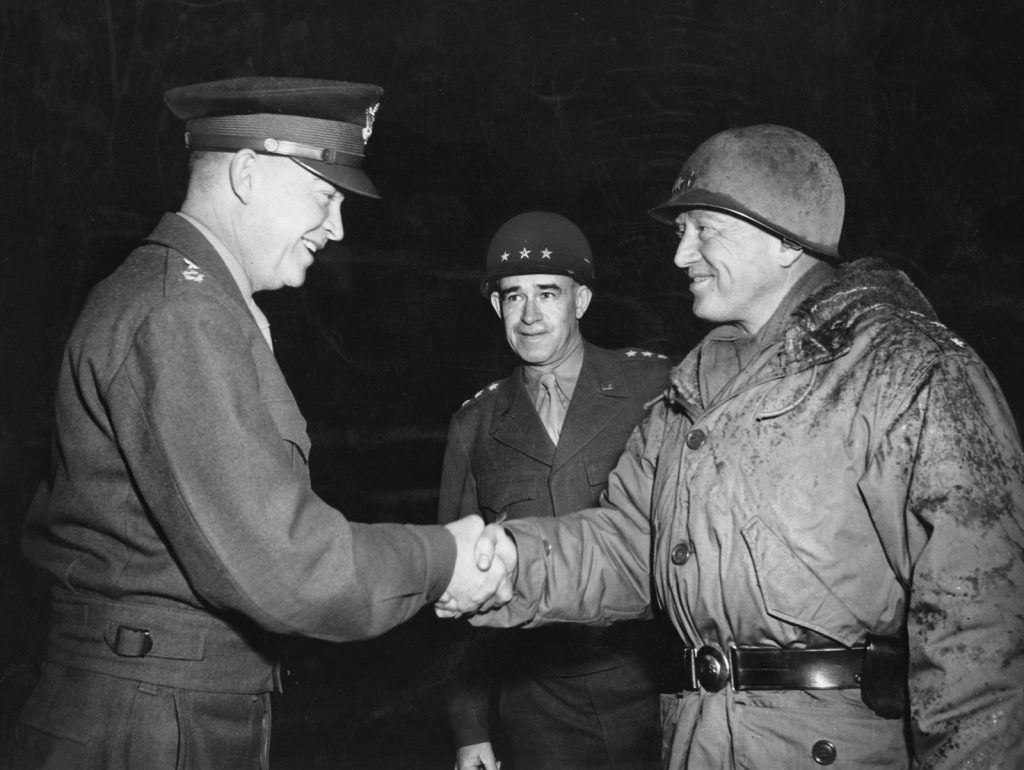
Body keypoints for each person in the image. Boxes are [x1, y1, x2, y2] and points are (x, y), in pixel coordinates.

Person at [448, 125, 1024, 768]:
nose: (680, 256)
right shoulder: (688, 395)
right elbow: (629, 543)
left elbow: (981, 633)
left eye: (703, 230)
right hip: (702, 742)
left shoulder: (908, 373)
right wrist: (501, 564)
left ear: (783, 241)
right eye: (679, 234)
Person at [7, 76, 512, 770]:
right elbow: (284, 565)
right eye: (325, 195)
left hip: (169, 703)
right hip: (153, 727)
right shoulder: (179, 315)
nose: (336, 227)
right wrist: (443, 559)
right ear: (247, 174)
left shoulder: (193, 302)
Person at [438, 212, 671, 770]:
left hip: (657, 688)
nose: (530, 315)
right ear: (497, 308)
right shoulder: (474, 424)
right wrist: (470, 730)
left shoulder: (655, 388)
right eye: (513, 296)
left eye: (548, 293)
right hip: (541, 707)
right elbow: (456, 584)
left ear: (581, 301)